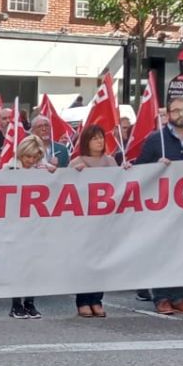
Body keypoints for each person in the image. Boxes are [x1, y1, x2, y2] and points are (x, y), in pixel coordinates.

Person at [132, 98, 183, 315]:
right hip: (160, 210)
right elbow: (139, 169)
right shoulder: (155, 140)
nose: (180, 114)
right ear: (168, 115)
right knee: (162, 253)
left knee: (181, 252)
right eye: (175, 111)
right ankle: (161, 297)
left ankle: (178, 296)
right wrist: (156, 167)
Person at [70, 125, 115, 318]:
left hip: (105, 222)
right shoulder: (77, 162)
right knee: (85, 262)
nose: (99, 141)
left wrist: (127, 170)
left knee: (102, 261)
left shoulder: (111, 161)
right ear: (86, 141)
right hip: (84, 222)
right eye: (95, 138)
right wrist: (75, 174)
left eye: (101, 138)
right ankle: (83, 300)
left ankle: (97, 299)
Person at [8, 135, 52, 319]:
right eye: (28, 157)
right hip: (16, 224)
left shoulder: (42, 170)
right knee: (17, 265)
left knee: (33, 264)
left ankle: (30, 302)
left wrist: (52, 169)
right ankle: (16, 304)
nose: (31, 161)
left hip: (35, 224)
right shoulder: (9, 169)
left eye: (35, 158)